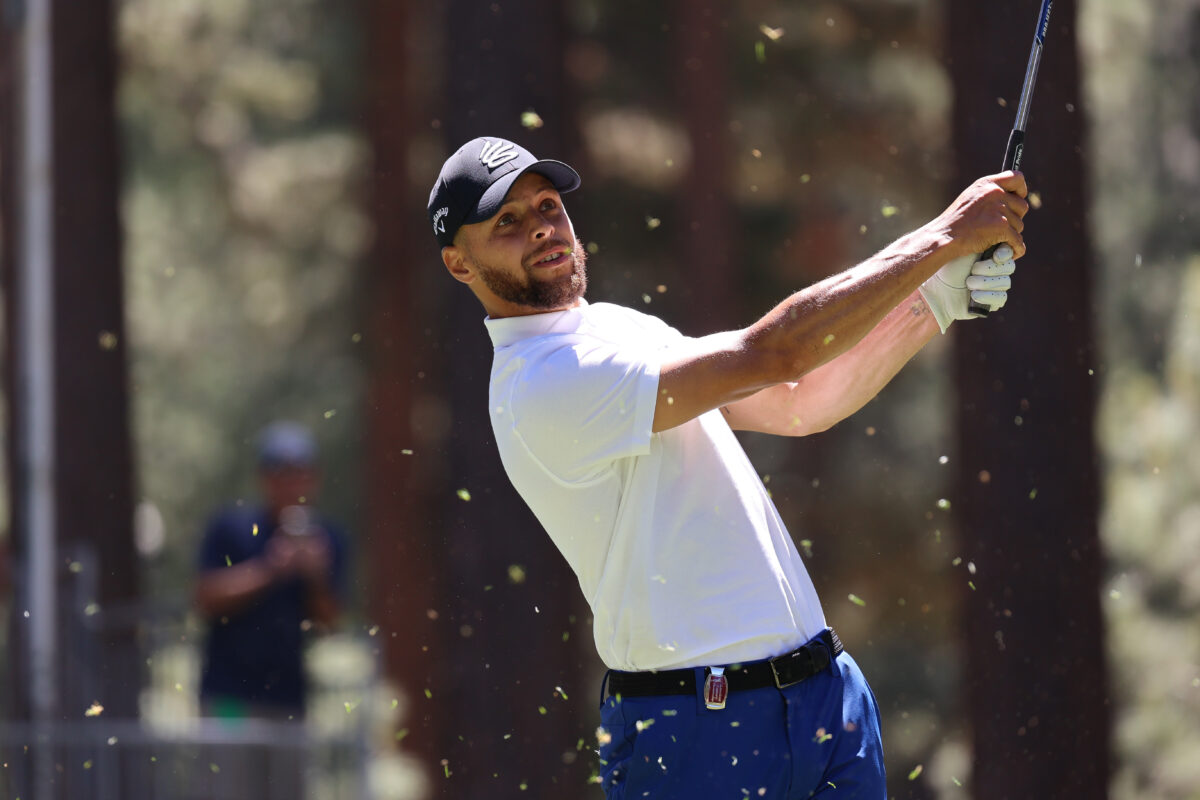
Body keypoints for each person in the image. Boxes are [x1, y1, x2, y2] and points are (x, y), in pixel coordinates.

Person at [428, 136, 1026, 798]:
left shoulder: (612, 329)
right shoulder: (541, 384)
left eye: (546, 204)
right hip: (702, 731)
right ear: (460, 264)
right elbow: (772, 354)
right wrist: (938, 240)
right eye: (505, 222)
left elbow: (799, 401)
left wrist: (933, 301)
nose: (540, 225)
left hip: (824, 699)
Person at [194, 420, 348, 721]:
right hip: (228, 699)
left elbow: (331, 623)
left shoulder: (328, 538)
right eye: (281, 474)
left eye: (299, 474)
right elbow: (204, 599)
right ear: (263, 478)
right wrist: (270, 569)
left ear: (314, 479)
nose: (291, 485)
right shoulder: (231, 527)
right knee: (225, 769)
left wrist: (316, 577)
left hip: (289, 703)